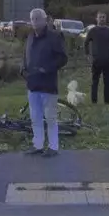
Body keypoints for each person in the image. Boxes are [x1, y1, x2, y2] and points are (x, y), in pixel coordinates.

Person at [23, 8, 69, 157]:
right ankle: (37, 145)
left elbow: (63, 58)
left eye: (38, 18)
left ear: (45, 20)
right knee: (35, 117)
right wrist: (22, 68)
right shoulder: (30, 37)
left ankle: (53, 147)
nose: (35, 21)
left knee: (50, 118)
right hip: (32, 84)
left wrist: (47, 69)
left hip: (48, 85)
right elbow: (26, 56)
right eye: (32, 19)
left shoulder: (54, 37)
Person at [83, 12, 109, 104]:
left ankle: (107, 101)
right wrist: (87, 55)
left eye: (103, 17)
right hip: (96, 60)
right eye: (100, 17)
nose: (102, 19)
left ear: (105, 19)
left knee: (107, 82)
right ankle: (94, 100)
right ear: (96, 19)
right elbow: (86, 43)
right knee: (95, 82)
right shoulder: (93, 31)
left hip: (107, 60)